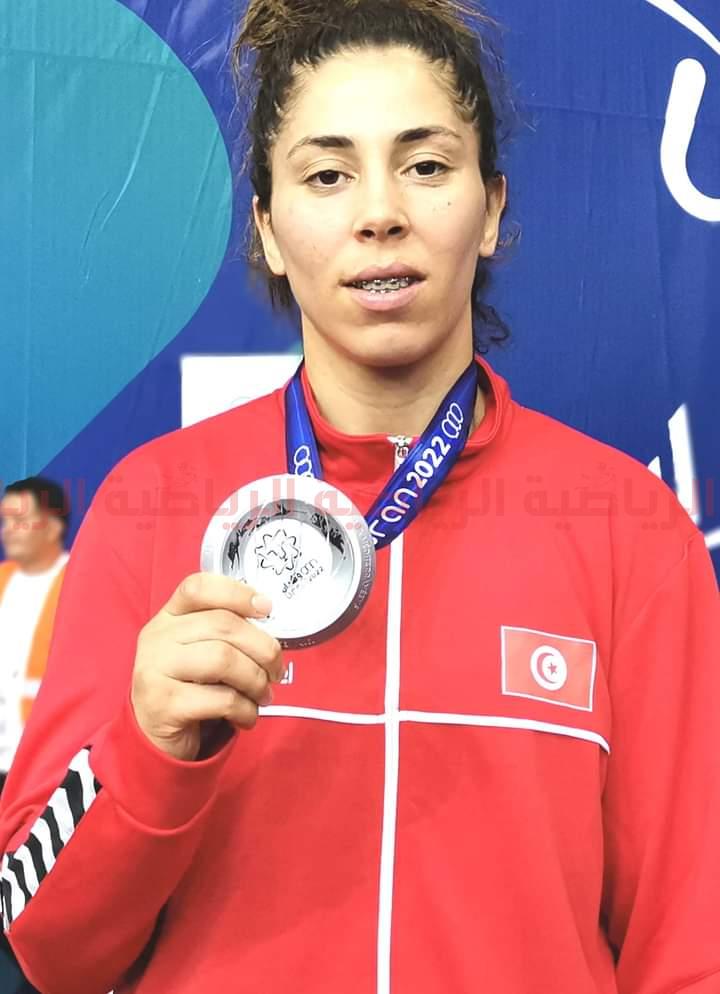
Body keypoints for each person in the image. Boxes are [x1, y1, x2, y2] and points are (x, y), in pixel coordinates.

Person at [0, 1, 718, 992]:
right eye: (328, 175)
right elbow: (48, 948)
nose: (380, 212)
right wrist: (147, 744)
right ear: (268, 229)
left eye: (424, 165)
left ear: (491, 209)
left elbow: (693, 943)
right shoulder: (151, 504)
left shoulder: (632, 531)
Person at [0, 478, 70, 789]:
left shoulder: (79, 582)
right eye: (5, 521)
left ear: (52, 527)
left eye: (20, 521)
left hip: (46, 765)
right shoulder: (3, 579)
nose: (8, 530)